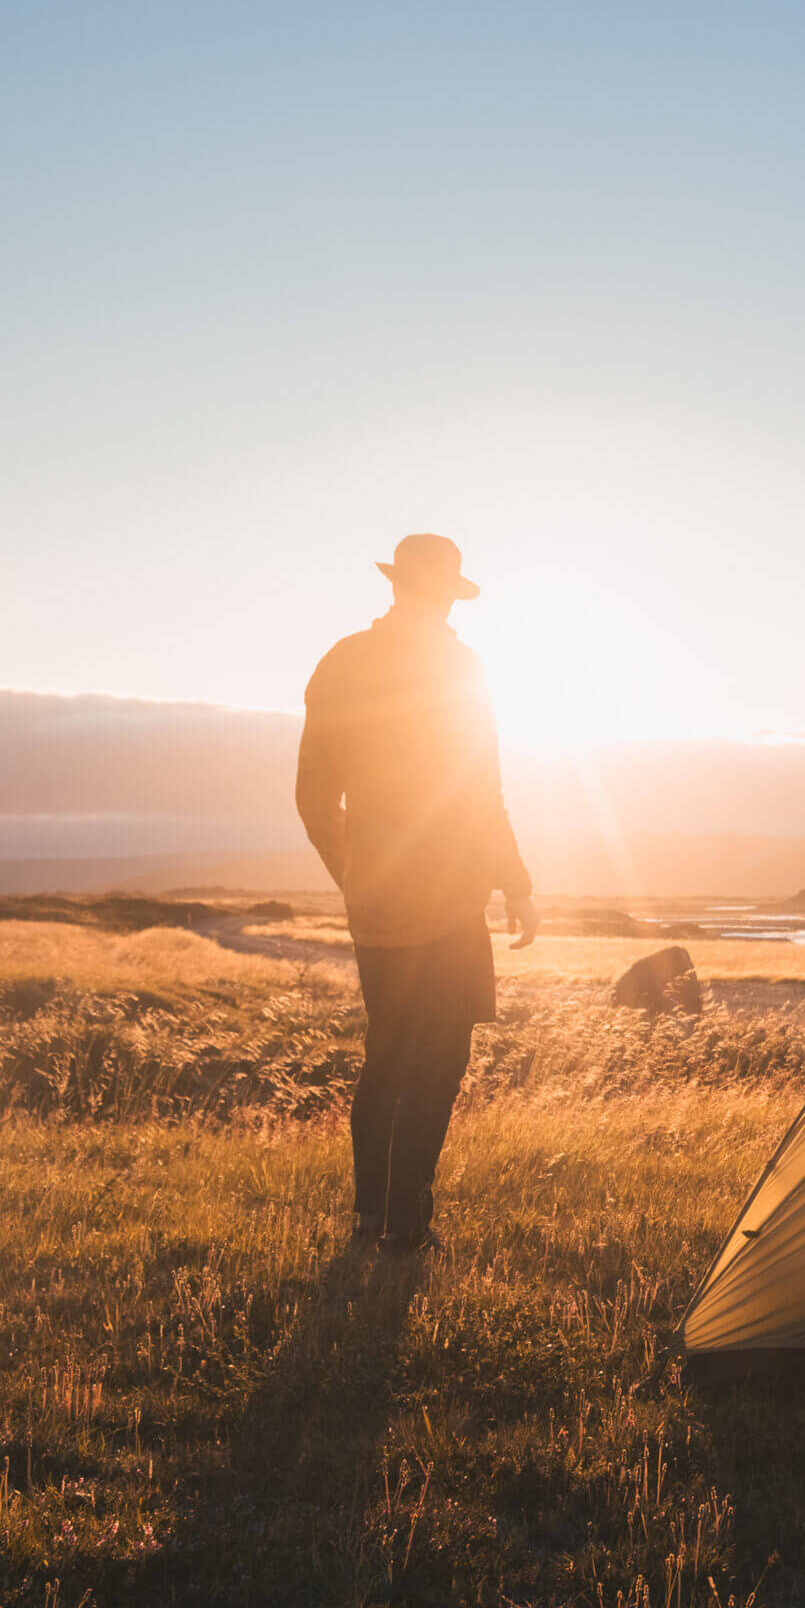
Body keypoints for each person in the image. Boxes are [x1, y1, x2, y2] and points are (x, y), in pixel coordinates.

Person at [296, 533, 538, 1253]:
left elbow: (314, 799)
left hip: (400, 904)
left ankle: (375, 1216)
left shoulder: (343, 662)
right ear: (435, 594)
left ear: (399, 586)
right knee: (436, 1063)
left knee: (391, 1055)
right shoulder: (462, 668)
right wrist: (515, 884)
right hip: (454, 901)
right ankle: (404, 1222)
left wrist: (360, 877)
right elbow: (483, 790)